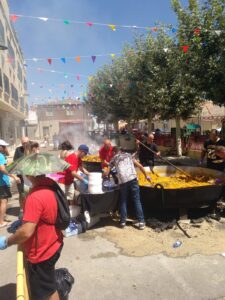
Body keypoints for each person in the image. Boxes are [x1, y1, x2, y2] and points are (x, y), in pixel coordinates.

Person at [0, 175, 63, 300]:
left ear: (29, 174)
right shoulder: (51, 186)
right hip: (54, 242)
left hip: (42, 252)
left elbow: (26, 232)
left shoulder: (35, 196)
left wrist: (7, 241)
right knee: (48, 284)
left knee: (47, 291)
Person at [105, 146, 151, 230]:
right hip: (133, 179)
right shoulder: (129, 155)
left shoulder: (113, 159)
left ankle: (122, 222)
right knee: (136, 200)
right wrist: (146, 175)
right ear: (121, 151)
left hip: (123, 182)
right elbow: (140, 166)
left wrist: (103, 175)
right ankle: (141, 222)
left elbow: (107, 172)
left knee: (123, 201)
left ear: (114, 152)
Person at [0, 140, 20, 228]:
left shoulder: (2, 155)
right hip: (2, 183)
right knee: (3, 202)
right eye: (4, 147)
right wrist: (13, 176)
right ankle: (1, 222)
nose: (6, 148)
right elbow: (3, 169)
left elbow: (7, 155)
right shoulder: (0, 156)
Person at [13, 136, 29, 208]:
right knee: (22, 193)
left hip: (30, 176)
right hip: (21, 176)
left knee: (31, 193)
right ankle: (22, 209)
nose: (24, 145)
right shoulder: (18, 150)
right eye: (23, 143)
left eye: (26, 143)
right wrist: (16, 176)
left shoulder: (32, 149)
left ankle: (30, 208)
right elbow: (15, 162)